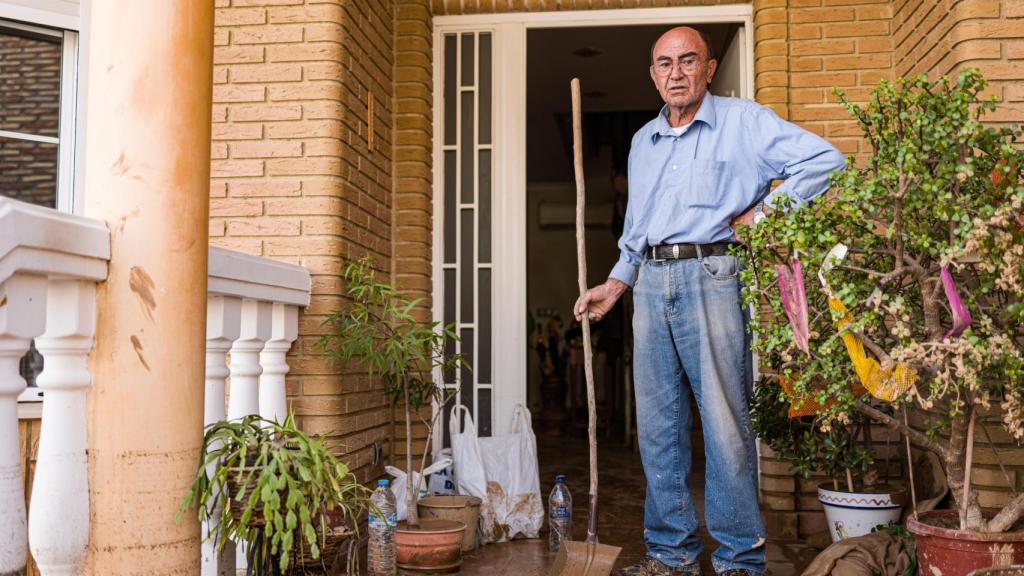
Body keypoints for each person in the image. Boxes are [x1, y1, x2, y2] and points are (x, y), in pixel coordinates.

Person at [573, 26, 844, 576]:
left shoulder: (744, 122)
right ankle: (670, 555)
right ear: (653, 74)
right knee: (656, 425)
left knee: (724, 424)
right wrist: (618, 282)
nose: (675, 73)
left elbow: (825, 161)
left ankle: (740, 561)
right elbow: (639, 226)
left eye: (687, 61)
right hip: (650, 282)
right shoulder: (642, 141)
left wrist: (763, 217)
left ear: (709, 67)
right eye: (664, 64)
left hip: (714, 274)